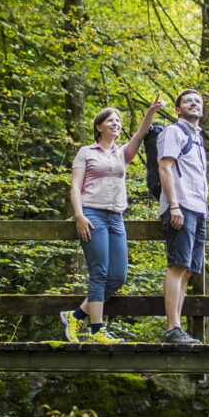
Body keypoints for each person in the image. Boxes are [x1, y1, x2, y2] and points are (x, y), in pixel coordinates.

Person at [63, 95, 165, 344]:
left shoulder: (122, 154)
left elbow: (139, 135)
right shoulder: (85, 152)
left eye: (118, 121)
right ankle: (97, 331)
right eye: (110, 120)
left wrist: (151, 112)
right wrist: (79, 216)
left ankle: (75, 315)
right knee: (99, 272)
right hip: (92, 214)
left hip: (116, 217)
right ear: (99, 126)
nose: (116, 124)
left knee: (118, 275)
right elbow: (75, 187)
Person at [158, 89, 208, 345]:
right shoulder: (174, 132)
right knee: (177, 265)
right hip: (182, 208)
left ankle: (176, 330)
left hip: (199, 211)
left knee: (188, 271)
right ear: (178, 109)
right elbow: (165, 167)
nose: (194, 103)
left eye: (198, 101)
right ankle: (172, 327)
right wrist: (174, 206)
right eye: (188, 100)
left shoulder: (198, 139)